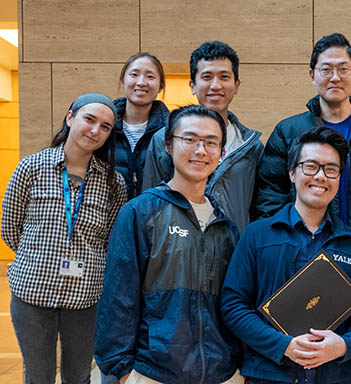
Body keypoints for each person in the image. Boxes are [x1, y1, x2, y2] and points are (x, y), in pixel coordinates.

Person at [95, 105, 242, 384]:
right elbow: (117, 297)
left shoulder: (225, 227)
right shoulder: (141, 212)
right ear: (168, 145)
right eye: (190, 139)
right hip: (153, 372)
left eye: (211, 143)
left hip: (220, 373)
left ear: (221, 153)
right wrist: (123, 370)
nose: (200, 150)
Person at [221, 127, 351, 383]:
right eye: (310, 166)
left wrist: (344, 345)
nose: (320, 176)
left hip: (335, 376)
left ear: (339, 177)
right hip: (270, 374)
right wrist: (283, 345)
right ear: (292, 173)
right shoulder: (258, 235)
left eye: (331, 169)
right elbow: (233, 306)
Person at [1, 93, 126, 384]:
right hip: (33, 291)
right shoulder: (31, 168)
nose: (96, 131)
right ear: (70, 118)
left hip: (85, 297)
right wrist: (39, 259)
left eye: (105, 127)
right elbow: (10, 227)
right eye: (90, 120)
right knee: (39, 377)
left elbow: (110, 239)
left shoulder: (112, 181)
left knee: (78, 376)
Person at [254, 32, 351, 236]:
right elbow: (269, 198)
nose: (335, 78)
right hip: (301, 252)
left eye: (343, 69)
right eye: (326, 70)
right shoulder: (287, 132)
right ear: (312, 75)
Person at [142, 41, 264, 233]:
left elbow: (258, 208)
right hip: (175, 250)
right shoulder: (164, 139)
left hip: (234, 251)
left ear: (236, 85)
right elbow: (149, 202)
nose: (215, 86)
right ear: (192, 85)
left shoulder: (251, 146)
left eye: (224, 77)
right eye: (207, 77)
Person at [113, 52, 170, 200]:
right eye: (134, 74)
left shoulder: (172, 130)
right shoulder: (105, 126)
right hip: (109, 218)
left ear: (160, 86)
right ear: (123, 81)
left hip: (155, 216)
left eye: (150, 76)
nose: (141, 82)